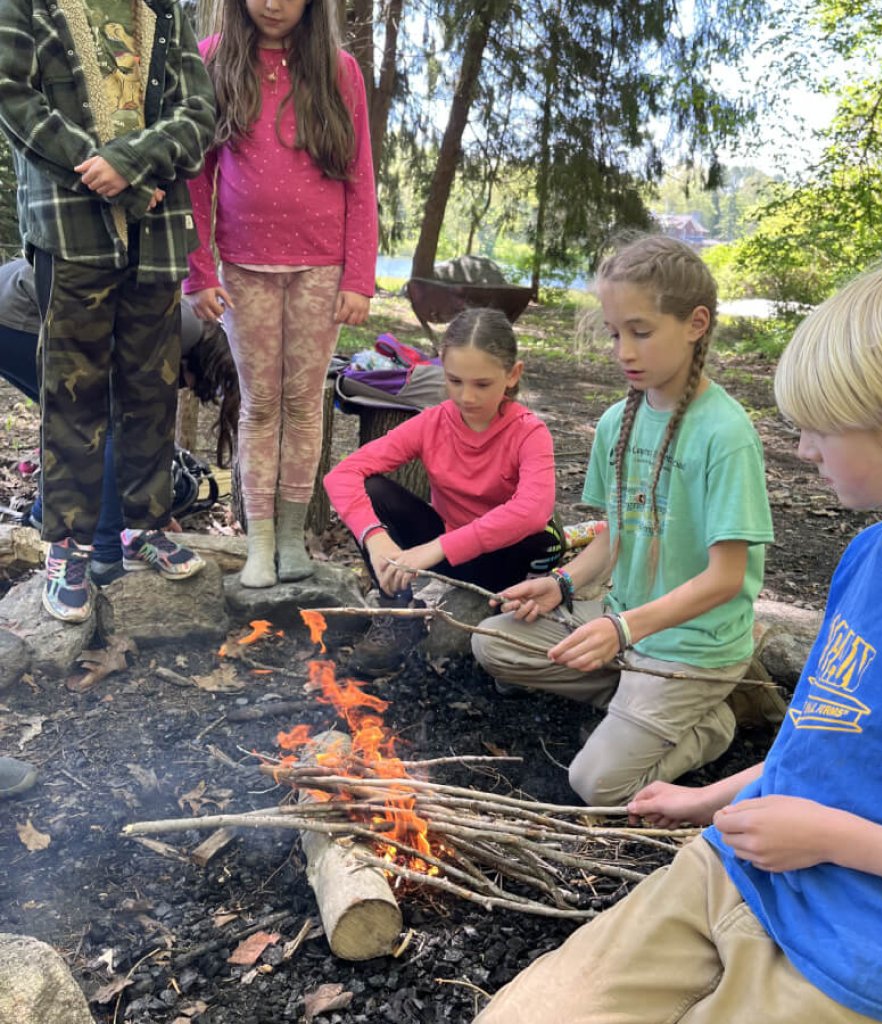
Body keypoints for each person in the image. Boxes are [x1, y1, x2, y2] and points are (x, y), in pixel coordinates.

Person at [474, 249, 882, 1024]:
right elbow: (830, 740)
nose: (803, 451)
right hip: (734, 870)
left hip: (855, 955)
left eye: (818, 431)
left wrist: (833, 838)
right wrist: (711, 797)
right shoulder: (870, 553)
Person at [472, 236, 774, 806]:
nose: (623, 350)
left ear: (695, 324)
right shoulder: (618, 422)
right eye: (615, 333)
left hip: (692, 647)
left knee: (597, 784)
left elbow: (727, 578)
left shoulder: (725, 435)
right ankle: (631, 698)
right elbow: (616, 536)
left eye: (641, 330)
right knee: (494, 644)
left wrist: (625, 630)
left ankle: (712, 726)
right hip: (625, 629)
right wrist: (562, 584)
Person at [0, 0, 216, 623]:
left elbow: (197, 113)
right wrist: (94, 165)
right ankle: (65, 546)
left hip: (159, 228)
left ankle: (144, 527)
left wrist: (131, 161)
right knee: (73, 394)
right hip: (71, 230)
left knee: (152, 387)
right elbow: (11, 94)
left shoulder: (165, 11)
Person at [185, 0, 378, 589]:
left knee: (303, 403)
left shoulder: (339, 69)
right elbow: (197, 175)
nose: (273, 4)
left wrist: (358, 278)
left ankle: (293, 538)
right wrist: (200, 272)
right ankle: (260, 543)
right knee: (259, 403)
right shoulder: (214, 60)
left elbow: (361, 176)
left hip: (322, 270)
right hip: (244, 268)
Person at [324, 307, 565, 678]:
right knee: (373, 489)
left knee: (540, 535)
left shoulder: (528, 432)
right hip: (451, 553)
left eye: (482, 384)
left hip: (507, 562)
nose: (466, 396)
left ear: (512, 375)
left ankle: (515, 630)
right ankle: (398, 614)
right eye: (454, 381)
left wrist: (434, 549)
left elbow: (533, 510)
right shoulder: (433, 422)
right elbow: (342, 475)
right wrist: (376, 539)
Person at [0, 258, 239, 584]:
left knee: (72, 420)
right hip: (21, 314)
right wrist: (146, 516)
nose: (185, 388)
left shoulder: (183, 327)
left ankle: (45, 518)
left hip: (24, 307)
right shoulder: (185, 328)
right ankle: (107, 555)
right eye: (191, 383)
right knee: (104, 424)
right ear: (204, 364)